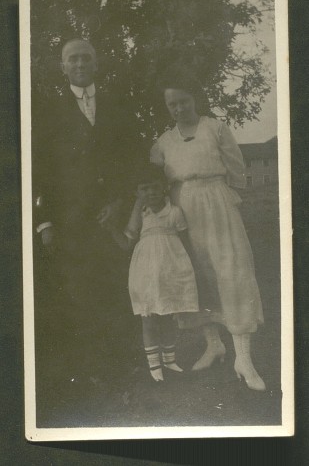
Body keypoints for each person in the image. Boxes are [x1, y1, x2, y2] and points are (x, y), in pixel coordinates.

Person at [150, 74, 266, 391]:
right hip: (183, 207)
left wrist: (230, 200)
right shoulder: (163, 142)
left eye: (183, 101)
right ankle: (213, 344)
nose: (178, 108)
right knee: (197, 275)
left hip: (218, 202)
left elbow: (236, 167)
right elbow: (152, 177)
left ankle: (244, 358)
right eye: (171, 104)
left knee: (233, 271)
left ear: (195, 100)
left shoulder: (214, 128)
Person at [32, 39, 140, 375]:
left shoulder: (119, 105)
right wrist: (44, 223)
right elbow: (38, 168)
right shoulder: (46, 110)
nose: (79, 64)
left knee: (117, 288)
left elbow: (133, 159)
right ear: (62, 66)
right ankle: (88, 371)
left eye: (86, 58)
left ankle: (122, 367)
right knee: (78, 294)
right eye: (72, 59)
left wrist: (120, 202)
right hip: (70, 220)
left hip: (113, 217)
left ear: (97, 63)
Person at [101, 164, 199, 381]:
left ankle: (170, 361)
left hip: (170, 271)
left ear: (164, 188)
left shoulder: (174, 212)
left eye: (155, 187)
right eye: (144, 189)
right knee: (149, 318)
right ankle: (155, 366)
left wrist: (191, 270)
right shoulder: (141, 216)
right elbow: (127, 243)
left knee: (168, 316)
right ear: (137, 193)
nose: (150, 193)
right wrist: (112, 229)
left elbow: (185, 244)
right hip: (145, 272)